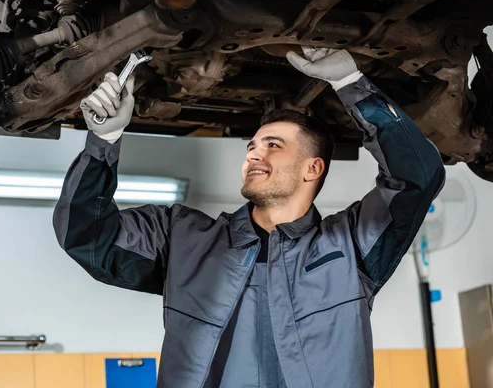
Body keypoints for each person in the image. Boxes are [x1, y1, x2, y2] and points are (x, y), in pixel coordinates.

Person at [53, 46, 446, 388]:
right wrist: (104, 142)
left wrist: (350, 81)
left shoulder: (351, 246)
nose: (253, 154)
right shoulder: (182, 237)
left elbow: (419, 176)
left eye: (273, 145)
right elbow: (87, 237)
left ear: (312, 169)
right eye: (252, 146)